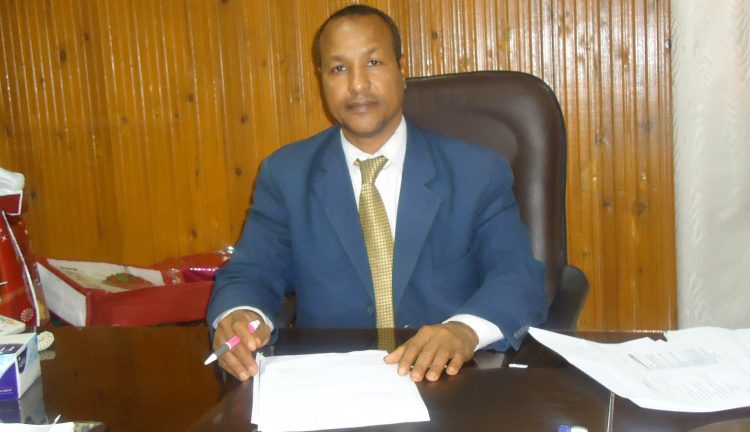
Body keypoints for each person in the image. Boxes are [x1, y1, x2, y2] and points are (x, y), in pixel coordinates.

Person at [206, 4, 548, 383]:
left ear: (402, 70)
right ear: (321, 80)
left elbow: (518, 275)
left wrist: (465, 331)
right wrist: (241, 315)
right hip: (332, 385)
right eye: (338, 69)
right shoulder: (286, 175)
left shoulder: (476, 171)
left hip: (448, 381)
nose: (357, 85)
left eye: (373, 63)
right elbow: (252, 272)